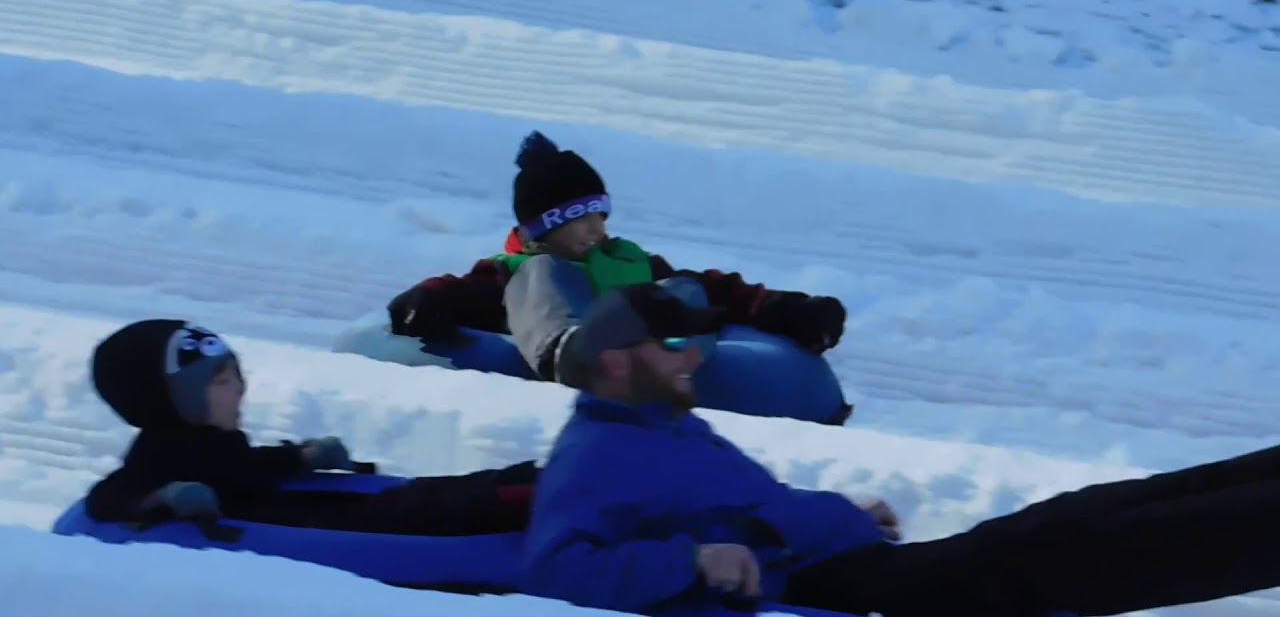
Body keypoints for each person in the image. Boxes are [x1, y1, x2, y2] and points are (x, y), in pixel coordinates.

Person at [519, 283, 1280, 617]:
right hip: (867, 599)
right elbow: (553, 571)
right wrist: (688, 563)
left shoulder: (666, 425)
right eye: (674, 344)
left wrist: (834, 512)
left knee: (1091, 516)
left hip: (876, 571)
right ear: (617, 359)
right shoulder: (593, 456)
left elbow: (746, 512)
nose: (694, 357)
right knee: (1094, 549)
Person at [386, 130, 852, 424]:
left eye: (599, 214)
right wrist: (428, 299)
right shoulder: (515, 271)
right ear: (543, 225)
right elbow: (461, 291)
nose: (597, 228)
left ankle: (673, 359)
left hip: (647, 361)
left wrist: (786, 309)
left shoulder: (627, 259)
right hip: (576, 352)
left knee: (684, 289)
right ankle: (575, 354)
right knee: (540, 271)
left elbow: (716, 289)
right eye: (579, 217)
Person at [86, 319, 536, 537]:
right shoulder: (158, 456)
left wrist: (300, 456)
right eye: (221, 382)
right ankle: (533, 495)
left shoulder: (206, 441)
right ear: (172, 401)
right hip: (296, 525)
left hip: (300, 511)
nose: (240, 390)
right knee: (424, 510)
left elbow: (241, 467)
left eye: (236, 374)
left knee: (424, 494)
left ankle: (531, 482)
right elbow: (108, 496)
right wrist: (164, 498)